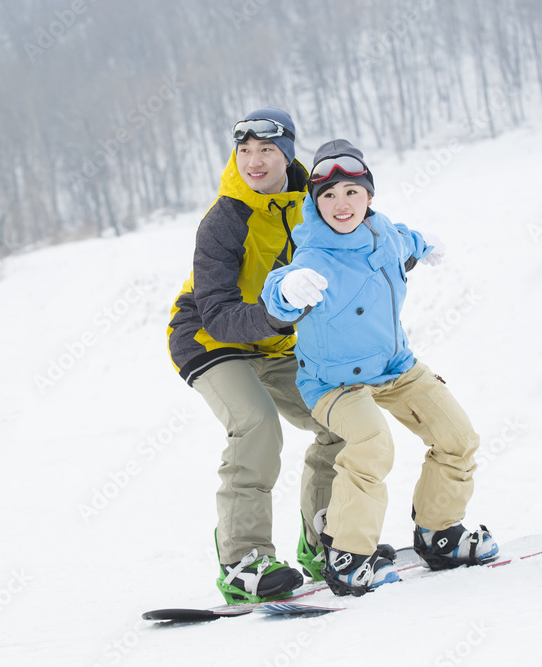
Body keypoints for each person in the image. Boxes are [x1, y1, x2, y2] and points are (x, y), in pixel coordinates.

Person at [260, 139, 499, 597]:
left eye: (351, 192)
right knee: (372, 446)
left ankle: (440, 533)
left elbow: (405, 239)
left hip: (395, 368)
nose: (341, 204)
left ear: (369, 196)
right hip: (333, 383)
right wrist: (286, 290)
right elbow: (277, 295)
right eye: (327, 196)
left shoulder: (384, 233)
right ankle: (348, 555)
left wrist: (426, 244)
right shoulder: (311, 257)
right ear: (315, 202)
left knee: (458, 438)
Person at [166, 108, 346, 603]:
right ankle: (243, 562)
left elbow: (355, 247)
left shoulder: (314, 205)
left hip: (275, 340)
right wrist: (280, 314)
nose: (254, 160)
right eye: (244, 150)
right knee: (257, 425)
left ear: (287, 154)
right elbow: (220, 313)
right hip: (209, 338)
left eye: (267, 149)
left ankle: (324, 541)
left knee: (342, 422)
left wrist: (400, 254)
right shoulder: (225, 219)